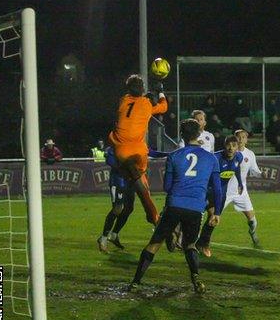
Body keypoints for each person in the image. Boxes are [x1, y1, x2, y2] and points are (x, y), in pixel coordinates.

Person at [129, 119, 222, 294]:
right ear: (199, 134)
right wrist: (216, 212)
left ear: (182, 135)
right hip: (195, 208)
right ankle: (196, 279)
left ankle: (136, 282)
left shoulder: (174, 156)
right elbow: (217, 188)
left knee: (154, 244)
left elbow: (167, 187)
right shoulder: (211, 158)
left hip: (174, 204)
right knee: (190, 245)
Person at [107, 74, 167, 226]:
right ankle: (154, 218)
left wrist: (146, 96)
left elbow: (136, 102)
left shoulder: (123, 101)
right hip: (137, 151)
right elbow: (164, 107)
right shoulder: (146, 104)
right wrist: (160, 92)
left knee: (136, 190)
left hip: (120, 151)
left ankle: (111, 233)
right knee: (143, 191)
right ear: (142, 89)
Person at [98, 147, 170, 253]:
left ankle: (114, 234)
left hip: (130, 181)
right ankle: (103, 238)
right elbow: (110, 161)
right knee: (118, 208)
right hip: (118, 181)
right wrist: (128, 165)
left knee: (129, 208)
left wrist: (168, 153)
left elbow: (151, 152)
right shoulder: (116, 145)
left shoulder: (136, 144)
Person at [195, 136, 243, 257]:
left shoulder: (239, 157)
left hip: (221, 194)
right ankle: (179, 233)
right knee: (194, 215)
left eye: (234, 145)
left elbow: (236, 169)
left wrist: (240, 183)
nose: (231, 148)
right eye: (228, 145)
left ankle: (203, 244)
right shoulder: (215, 158)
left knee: (213, 219)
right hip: (206, 191)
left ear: (237, 147)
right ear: (224, 145)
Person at [224, 129, 262, 246]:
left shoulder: (250, 154)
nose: (240, 140)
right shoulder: (228, 153)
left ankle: (252, 232)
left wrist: (260, 173)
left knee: (252, 220)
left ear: (246, 139)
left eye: (243, 137)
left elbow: (254, 170)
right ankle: (201, 240)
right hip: (226, 191)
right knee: (213, 216)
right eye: (238, 137)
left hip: (241, 192)